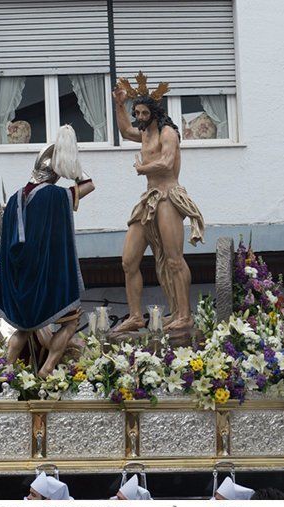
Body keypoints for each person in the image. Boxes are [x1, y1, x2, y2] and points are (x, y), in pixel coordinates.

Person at [0, 125, 95, 378]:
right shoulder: (52, 195)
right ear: (55, 173)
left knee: (24, 328)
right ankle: (47, 368)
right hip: (45, 278)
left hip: (20, 281)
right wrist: (73, 165)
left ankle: (5, 371)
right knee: (71, 321)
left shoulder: (17, 196)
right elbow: (88, 185)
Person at [112, 72, 204, 333]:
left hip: (168, 197)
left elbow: (166, 162)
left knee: (174, 259)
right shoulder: (143, 133)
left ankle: (184, 315)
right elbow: (123, 130)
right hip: (149, 199)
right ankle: (135, 316)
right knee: (128, 261)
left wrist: (143, 168)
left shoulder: (168, 133)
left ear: (154, 111)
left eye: (143, 113)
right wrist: (119, 105)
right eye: (136, 112)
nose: (139, 118)